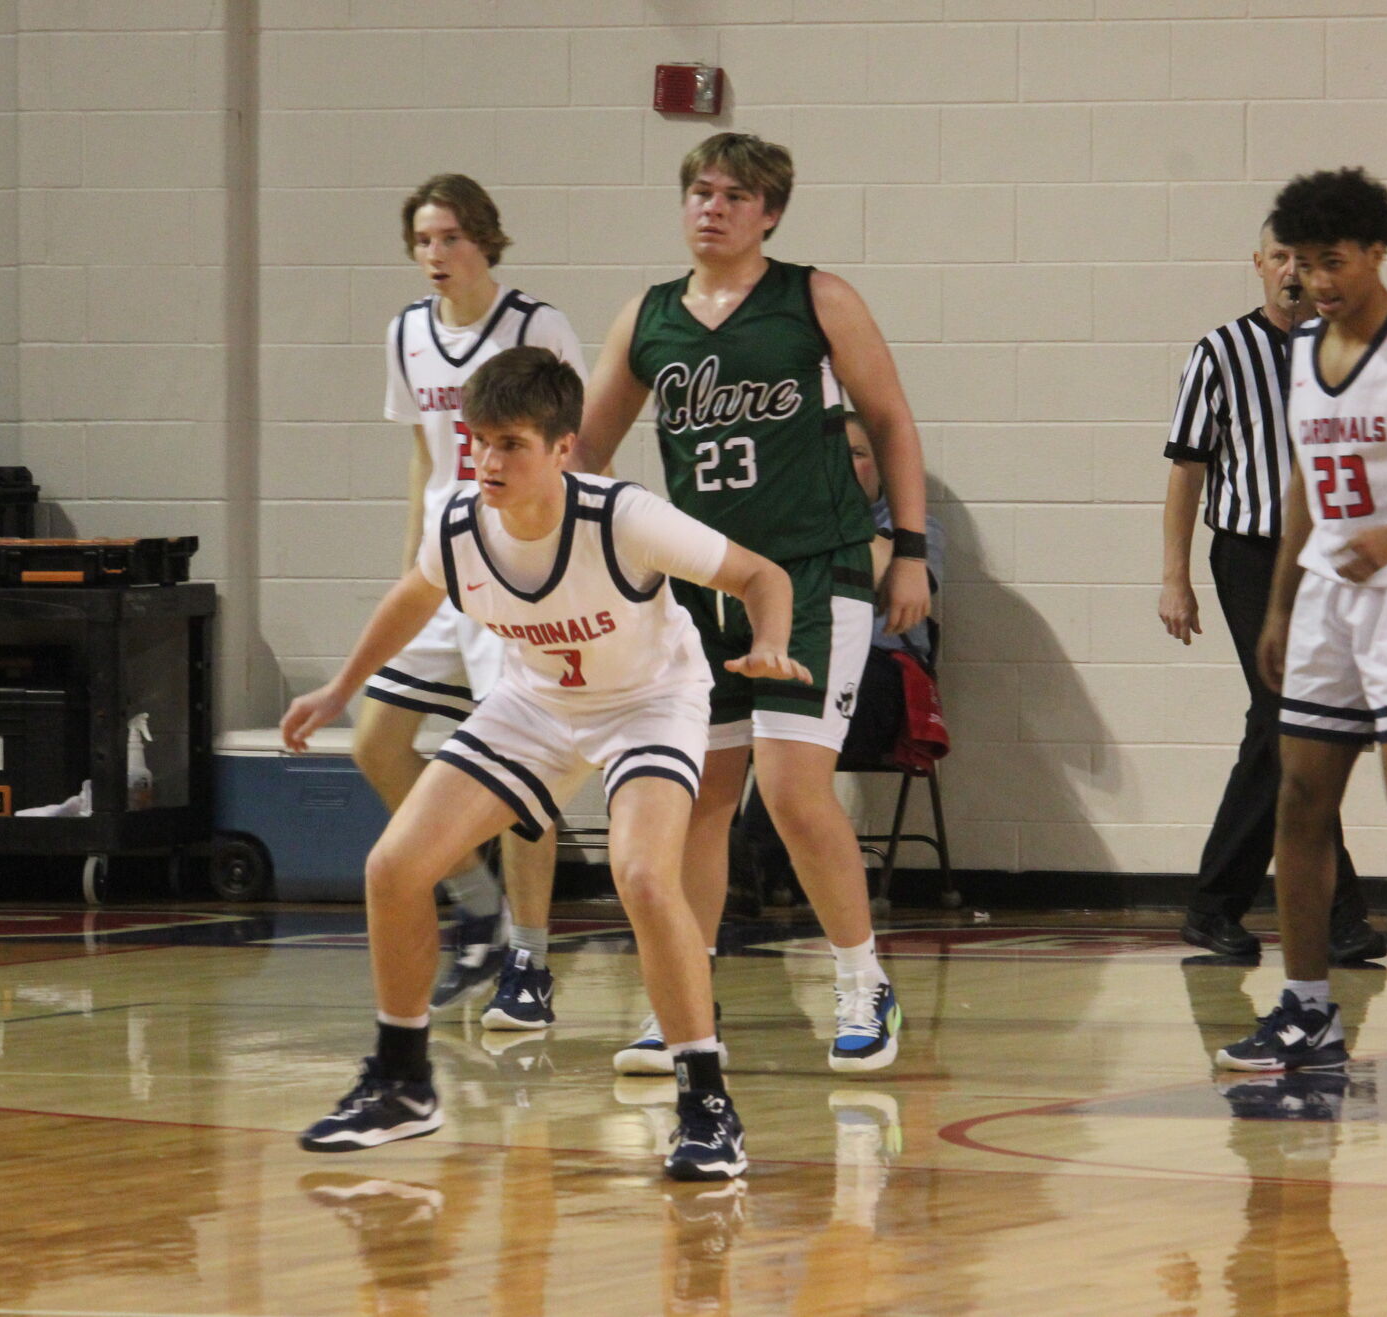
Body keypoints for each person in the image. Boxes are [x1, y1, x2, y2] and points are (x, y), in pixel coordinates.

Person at [288, 346, 810, 1182]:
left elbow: (760, 574)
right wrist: (339, 686)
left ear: (564, 448)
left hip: (649, 702)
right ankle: (402, 1080)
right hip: (536, 703)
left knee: (643, 875)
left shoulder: (624, 518)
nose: (489, 462)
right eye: (479, 441)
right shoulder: (459, 523)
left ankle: (707, 1100)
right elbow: (413, 596)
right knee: (394, 864)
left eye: (512, 445)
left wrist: (773, 641)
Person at [575, 132, 930, 1075]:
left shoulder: (816, 298)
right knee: (699, 798)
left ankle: (863, 980)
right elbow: (585, 453)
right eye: (700, 189)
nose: (713, 206)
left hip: (816, 568)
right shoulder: (648, 318)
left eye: (734, 194)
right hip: (701, 589)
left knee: (790, 787)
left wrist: (913, 551)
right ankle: (684, 1002)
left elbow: (891, 420)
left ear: (769, 212)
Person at [356, 175, 582, 1032]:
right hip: (446, 562)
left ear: (485, 239)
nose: (435, 255)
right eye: (422, 240)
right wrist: (408, 558)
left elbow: (577, 446)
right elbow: (423, 453)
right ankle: (473, 899)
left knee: (522, 774)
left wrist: (559, 559)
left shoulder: (536, 325)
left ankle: (528, 957)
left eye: (450, 237)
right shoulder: (407, 332)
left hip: (520, 562)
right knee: (376, 740)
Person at [1162, 219, 1383, 963]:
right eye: (1281, 256)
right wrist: (1175, 576)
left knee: (1308, 731)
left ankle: (1338, 914)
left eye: (1311, 259)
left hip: (1337, 557)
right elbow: (1187, 470)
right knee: (1282, 715)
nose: (1295, 272)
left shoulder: (1349, 348)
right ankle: (1219, 901)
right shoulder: (1220, 352)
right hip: (1254, 555)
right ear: (1258, 263)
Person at [1217, 168, 1387, 1073]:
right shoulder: (1301, 352)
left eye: (1334, 261)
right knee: (1299, 798)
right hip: (1326, 595)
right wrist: (1281, 602)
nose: (1316, 279)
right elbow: (1301, 486)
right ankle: (1308, 1009)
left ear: (1374, 252)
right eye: (1303, 262)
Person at [735, 414, 945, 892]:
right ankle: (723, 862)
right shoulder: (784, 526)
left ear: (883, 468)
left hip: (879, 683)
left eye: (857, 454)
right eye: (833, 456)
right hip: (794, 674)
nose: (843, 466)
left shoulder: (914, 530)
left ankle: (749, 866)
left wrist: (831, 513)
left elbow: (894, 586)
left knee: (805, 706)